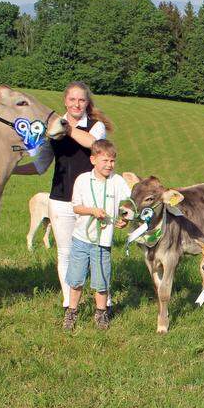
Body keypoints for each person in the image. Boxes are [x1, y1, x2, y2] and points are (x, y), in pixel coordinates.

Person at [13, 81, 114, 312]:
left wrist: (67, 129)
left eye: (81, 100)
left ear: (87, 103)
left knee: (97, 252)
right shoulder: (53, 131)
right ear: (65, 102)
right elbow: (40, 165)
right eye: (72, 100)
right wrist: (10, 169)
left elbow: (95, 145)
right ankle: (70, 304)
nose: (77, 104)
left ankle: (104, 303)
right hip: (60, 199)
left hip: (91, 201)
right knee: (65, 253)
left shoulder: (96, 127)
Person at [65, 139, 132, 329]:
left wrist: (124, 219)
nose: (109, 165)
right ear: (93, 159)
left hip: (103, 242)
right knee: (76, 279)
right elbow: (76, 207)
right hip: (81, 239)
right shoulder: (83, 180)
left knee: (102, 280)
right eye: (105, 161)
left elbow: (126, 206)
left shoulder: (117, 181)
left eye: (112, 161)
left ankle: (101, 313)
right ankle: (71, 311)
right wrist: (92, 211)